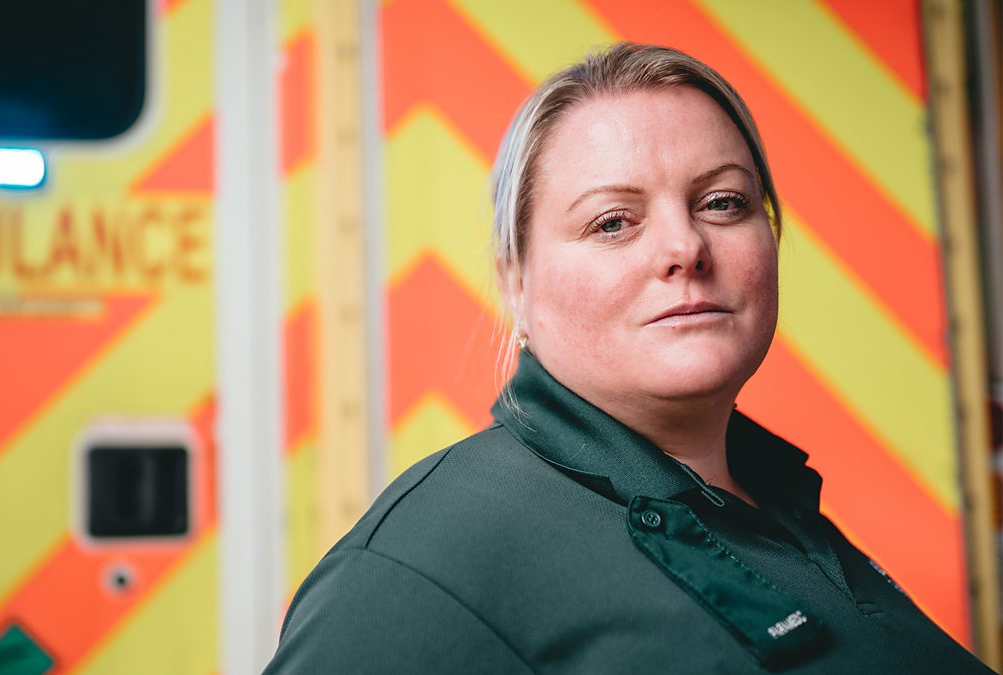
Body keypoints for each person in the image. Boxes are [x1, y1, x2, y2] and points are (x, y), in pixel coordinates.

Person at [263, 42, 993, 674]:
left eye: (723, 203)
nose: (685, 247)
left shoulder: (772, 500)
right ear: (516, 282)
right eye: (613, 221)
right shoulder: (416, 573)